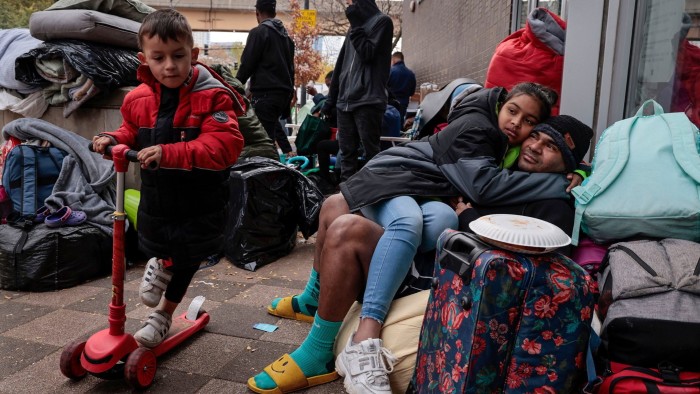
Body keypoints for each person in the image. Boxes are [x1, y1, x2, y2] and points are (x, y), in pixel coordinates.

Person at [248, 81, 584, 392]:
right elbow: (482, 185)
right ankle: (321, 315)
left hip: (444, 277)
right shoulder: (491, 140)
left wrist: (576, 175)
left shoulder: (549, 197)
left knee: (392, 220)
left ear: (566, 163)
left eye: (547, 143)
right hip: (409, 209)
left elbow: (500, 244)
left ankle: (329, 334)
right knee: (340, 208)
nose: (532, 142)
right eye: (532, 133)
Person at [91, 9, 245, 348]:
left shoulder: (213, 96)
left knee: (190, 255)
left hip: (201, 199)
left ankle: (163, 315)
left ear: (193, 55)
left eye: (178, 56)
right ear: (144, 59)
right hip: (158, 197)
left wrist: (170, 151)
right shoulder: (138, 99)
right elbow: (130, 131)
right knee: (155, 241)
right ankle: (160, 262)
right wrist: (114, 139)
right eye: (158, 58)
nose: (169, 66)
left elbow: (225, 145)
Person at [321, 0, 393, 181]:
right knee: (346, 154)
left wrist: (355, 25)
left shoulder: (382, 22)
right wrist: (331, 99)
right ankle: (345, 196)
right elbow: (340, 66)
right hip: (345, 100)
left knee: (371, 153)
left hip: (368, 99)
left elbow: (367, 52)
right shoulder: (354, 28)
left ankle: (371, 194)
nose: (350, 5)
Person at [236, 0, 296, 157]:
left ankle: (269, 176)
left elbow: (247, 65)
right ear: (274, 13)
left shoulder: (259, 32)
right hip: (282, 96)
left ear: (257, 13)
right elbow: (291, 70)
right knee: (270, 137)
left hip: (265, 95)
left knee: (262, 143)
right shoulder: (287, 39)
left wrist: (233, 87)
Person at [387, 51, 417, 121]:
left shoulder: (390, 71)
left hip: (390, 105)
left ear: (393, 60)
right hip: (403, 105)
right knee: (399, 125)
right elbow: (412, 92)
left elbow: (384, 87)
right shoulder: (411, 74)